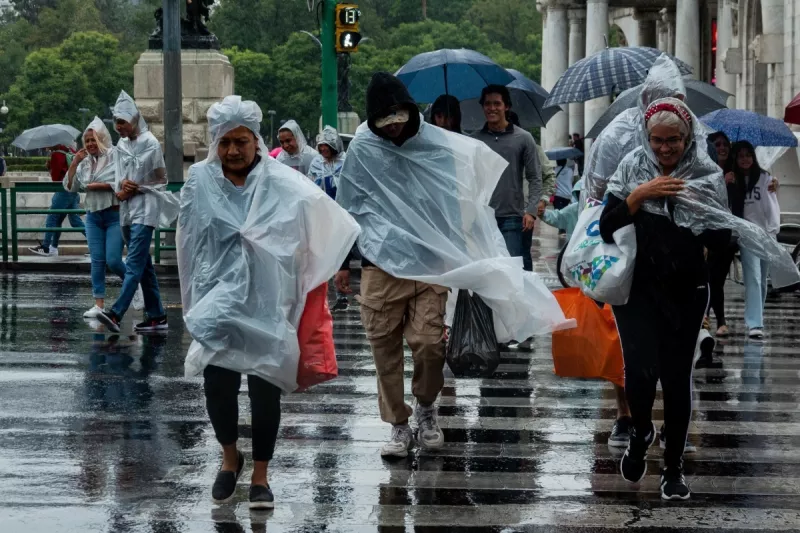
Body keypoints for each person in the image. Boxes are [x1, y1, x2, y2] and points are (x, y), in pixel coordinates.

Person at [335, 72, 569, 460]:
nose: (393, 125)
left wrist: (468, 252)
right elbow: (350, 204)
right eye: (384, 119)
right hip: (380, 265)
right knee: (384, 352)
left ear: (410, 112)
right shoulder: (364, 149)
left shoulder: (437, 147)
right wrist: (344, 262)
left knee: (428, 344)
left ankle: (426, 407)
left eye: (398, 115)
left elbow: (459, 204)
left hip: (431, 265)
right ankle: (398, 425)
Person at [178, 95, 358, 509]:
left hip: (270, 301)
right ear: (214, 143)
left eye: (240, 141)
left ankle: (260, 473)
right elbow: (188, 242)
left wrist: (313, 280)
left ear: (256, 141)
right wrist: (196, 301)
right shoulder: (199, 181)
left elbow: (324, 223)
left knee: (265, 390)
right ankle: (229, 457)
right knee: (218, 387)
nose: (232, 151)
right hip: (218, 300)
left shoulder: (282, 182)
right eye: (224, 142)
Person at [600, 97, 734, 500]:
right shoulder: (631, 169)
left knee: (676, 379)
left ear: (688, 136)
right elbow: (607, 227)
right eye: (656, 140)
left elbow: (724, 241)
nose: (664, 149)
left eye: (673, 140)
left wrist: (690, 207)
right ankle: (641, 430)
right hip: (637, 289)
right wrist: (641, 195)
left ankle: (673, 468)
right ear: (646, 136)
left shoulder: (707, 175)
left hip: (687, 290)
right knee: (639, 373)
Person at [96, 90, 170, 334]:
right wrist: (122, 189)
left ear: (134, 119)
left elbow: (160, 178)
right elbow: (118, 176)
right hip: (127, 210)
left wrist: (135, 187)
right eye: (116, 122)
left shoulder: (150, 142)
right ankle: (157, 315)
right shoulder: (122, 144)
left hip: (145, 210)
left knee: (135, 262)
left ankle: (116, 313)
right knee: (144, 266)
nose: (119, 127)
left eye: (122, 122)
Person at [64, 117, 141, 318]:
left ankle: (134, 285)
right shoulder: (85, 163)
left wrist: (102, 186)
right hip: (93, 216)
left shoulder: (116, 156)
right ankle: (98, 303)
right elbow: (71, 187)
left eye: (93, 139)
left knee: (114, 260)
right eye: (87, 141)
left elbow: (125, 181)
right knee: (97, 261)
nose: (90, 144)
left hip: (114, 214)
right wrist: (74, 164)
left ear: (102, 138)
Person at [472, 85, 542, 265]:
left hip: (512, 217)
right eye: (487, 104)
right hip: (483, 217)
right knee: (486, 272)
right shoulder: (474, 140)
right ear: (482, 107)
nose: (492, 108)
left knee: (511, 270)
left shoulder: (524, 138)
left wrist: (531, 211)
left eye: (497, 103)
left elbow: (535, 177)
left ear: (506, 106)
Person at [729, 141, 780, 339]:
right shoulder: (733, 179)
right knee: (753, 277)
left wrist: (772, 231)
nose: (745, 159)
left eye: (748, 154)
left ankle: (757, 317)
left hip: (766, 234)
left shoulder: (765, 178)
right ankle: (754, 323)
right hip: (747, 234)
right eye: (740, 155)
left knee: (763, 280)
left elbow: (772, 206)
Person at [308, 126, 350, 311]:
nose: (323, 150)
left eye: (327, 146)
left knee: (342, 254)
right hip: (323, 214)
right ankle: (326, 295)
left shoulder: (346, 162)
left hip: (342, 214)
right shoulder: (316, 163)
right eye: (321, 146)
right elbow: (310, 185)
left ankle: (342, 294)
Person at [29, 144, 86, 257]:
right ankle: (54, 247)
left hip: (63, 191)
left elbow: (55, 179)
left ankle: (46, 247)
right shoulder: (70, 150)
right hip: (73, 190)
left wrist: (50, 167)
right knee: (73, 221)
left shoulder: (56, 155)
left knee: (52, 216)